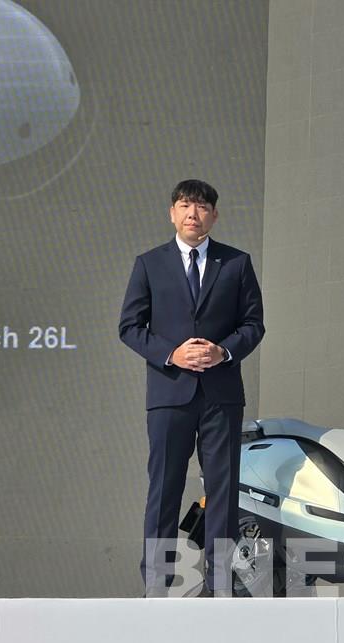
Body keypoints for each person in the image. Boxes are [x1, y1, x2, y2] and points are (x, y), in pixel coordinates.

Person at [119, 179, 264, 597]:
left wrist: (223, 351)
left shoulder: (236, 263)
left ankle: (220, 585)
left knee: (223, 490)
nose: (192, 214)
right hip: (169, 396)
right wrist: (172, 354)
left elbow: (254, 324)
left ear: (214, 215)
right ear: (172, 213)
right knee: (164, 489)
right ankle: (157, 584)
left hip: (221, 396)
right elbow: (129, 327)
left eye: (201, 207)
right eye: (184, 205)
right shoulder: (149, 264)